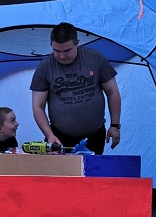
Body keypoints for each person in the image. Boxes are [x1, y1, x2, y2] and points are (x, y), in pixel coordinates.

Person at [30, 23, 121, 155]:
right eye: (56, 51)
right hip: (59, 137)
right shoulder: (45, 67)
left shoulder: (96, 58)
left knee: (90, 174)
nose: (61, 56)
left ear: (77, 43)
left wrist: (115, 125)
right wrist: (49, 135)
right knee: (59, 174)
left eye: (67, 50)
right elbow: (38, 106)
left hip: (95, 135)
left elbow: (112, 92)